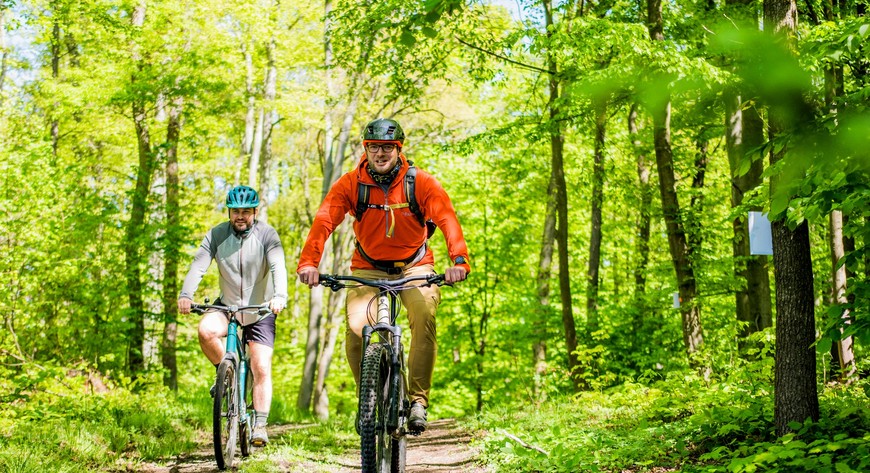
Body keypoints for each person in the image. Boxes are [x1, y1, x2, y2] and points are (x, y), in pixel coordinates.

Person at [297, 118, 470, 433]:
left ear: (398, 149)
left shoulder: (420, 183)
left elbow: (446, 217)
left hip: (414, 266)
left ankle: (417, 400)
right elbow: (324, 220)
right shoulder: (352, 183)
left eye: (387, 147)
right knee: (355, 331)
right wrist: (309, 262)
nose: (380, 153)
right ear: (366, 149)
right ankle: (371, 397)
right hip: (368, 265)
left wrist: (459, 259)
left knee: (423, 314)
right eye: (374, 147)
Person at [177, 185, 288, 447]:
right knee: (205, 331)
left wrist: (280, 296)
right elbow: (198, 265)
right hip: (227, 306)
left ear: (255, 212)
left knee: (261, 365)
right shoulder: (216, 235)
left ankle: (260, 424)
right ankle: (224, 374)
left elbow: (278, 266)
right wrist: (186, 294)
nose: (240, 216)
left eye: (246, 212)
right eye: (235, 211)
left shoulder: (267, 235)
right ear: (229, 212)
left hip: (261, 309)